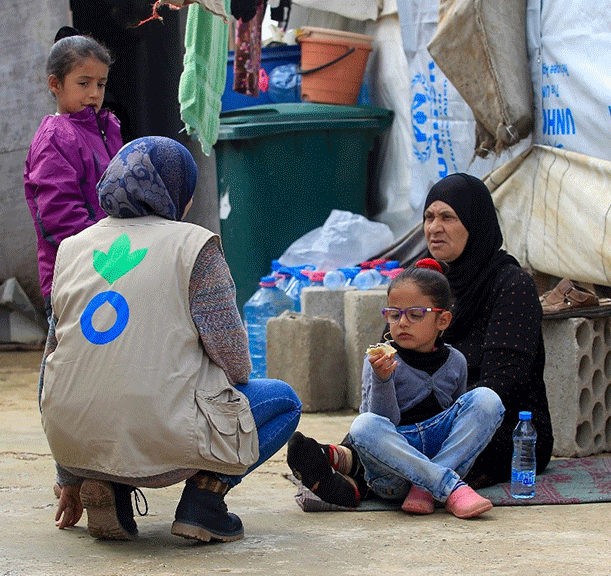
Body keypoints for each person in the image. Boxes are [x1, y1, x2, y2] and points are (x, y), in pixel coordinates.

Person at [40, 136, 301, 543]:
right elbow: (234, 361)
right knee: (282, 401)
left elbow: (52, 364)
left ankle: (106, 486)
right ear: (175, 193)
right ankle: (204, 502)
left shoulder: (71, 249)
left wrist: (67, 474)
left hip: (73, 442)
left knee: (97, 383)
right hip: (167, 440)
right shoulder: (193, 246)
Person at [288, 259, 505, 518]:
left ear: (443, 320)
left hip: (437, 458)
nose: (402, 323)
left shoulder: (456, 360)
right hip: (394, 475)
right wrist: (383, 379)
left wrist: (434, 467)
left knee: (487, 399)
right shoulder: (380, 360)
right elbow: (379, 428)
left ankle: (426, 483)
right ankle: (447, 486)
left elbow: (457, 426)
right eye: (394, 314)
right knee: (364, 425)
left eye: (415, 315)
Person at [422, 172, 554, 488]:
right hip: (428, 415)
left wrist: (434, 417)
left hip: (501, 427)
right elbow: (394, 352)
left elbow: (503, 383)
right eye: (428, 217)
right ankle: (342, 462)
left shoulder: (511, 285)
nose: (434, 228)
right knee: (373, 429)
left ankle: (367, 476)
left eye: (447, 217)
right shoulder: (425, 284)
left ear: (475, 223)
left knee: (412, 446)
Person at [24, 26, 123, 317]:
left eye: (101, 84)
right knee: (74, 360)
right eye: (84, 83)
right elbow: (59, 215)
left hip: (110, 266)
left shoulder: (109, 128)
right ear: (55, 84)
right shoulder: (55, 136)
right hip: (74, 275)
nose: (94, 94)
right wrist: (103, 254)